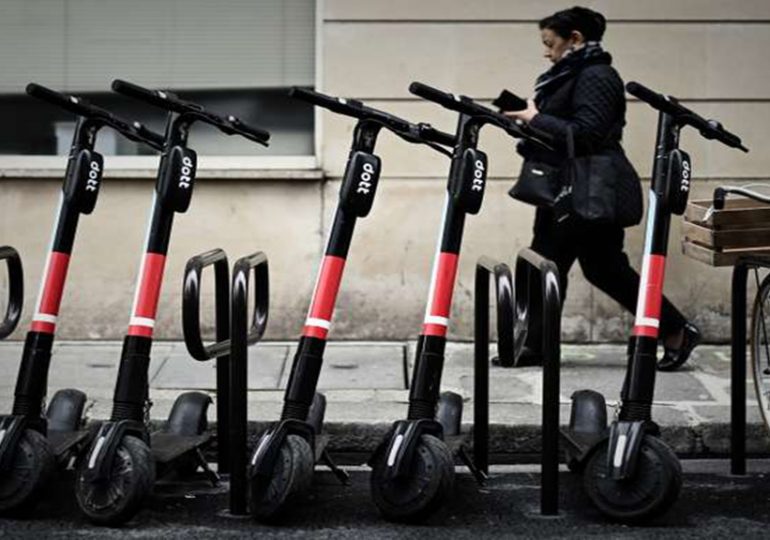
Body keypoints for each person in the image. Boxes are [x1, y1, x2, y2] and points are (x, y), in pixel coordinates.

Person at [505, 6, 699, 371]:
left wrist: (536, 118)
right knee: (580, 265)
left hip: (588, 188)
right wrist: (527, 124)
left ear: (575, 38)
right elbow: (565, 130)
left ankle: (674, 329)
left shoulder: (597, 75)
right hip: (565, 186)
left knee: (569, 264)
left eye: (551, 43)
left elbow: (588, 133)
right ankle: (534, 345)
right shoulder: (569, 74)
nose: (546, 52)